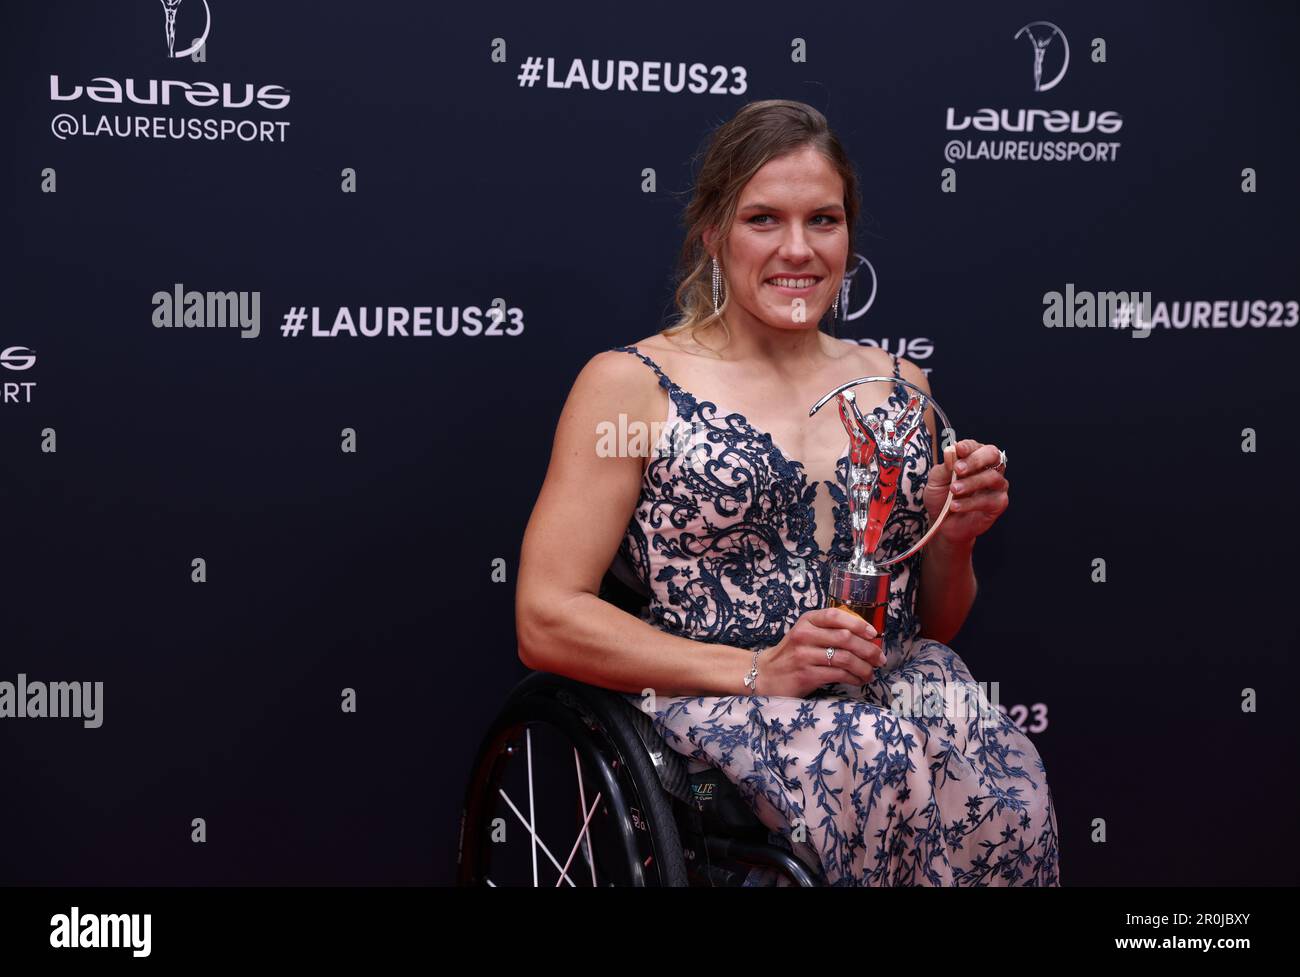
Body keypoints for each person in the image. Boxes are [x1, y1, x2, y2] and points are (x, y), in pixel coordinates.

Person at [515, 99, 1060, 886]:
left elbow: (934, 620)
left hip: (898, 684)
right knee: (877, 758)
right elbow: (545, 616)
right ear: (712, 232)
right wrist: (756, 669)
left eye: (824, 220)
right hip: (721, 690)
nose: (797, 249)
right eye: (763, 219)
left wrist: (956, 534)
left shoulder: (900, 387)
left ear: (850, 235)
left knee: (1009, 781)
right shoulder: (631, 387)